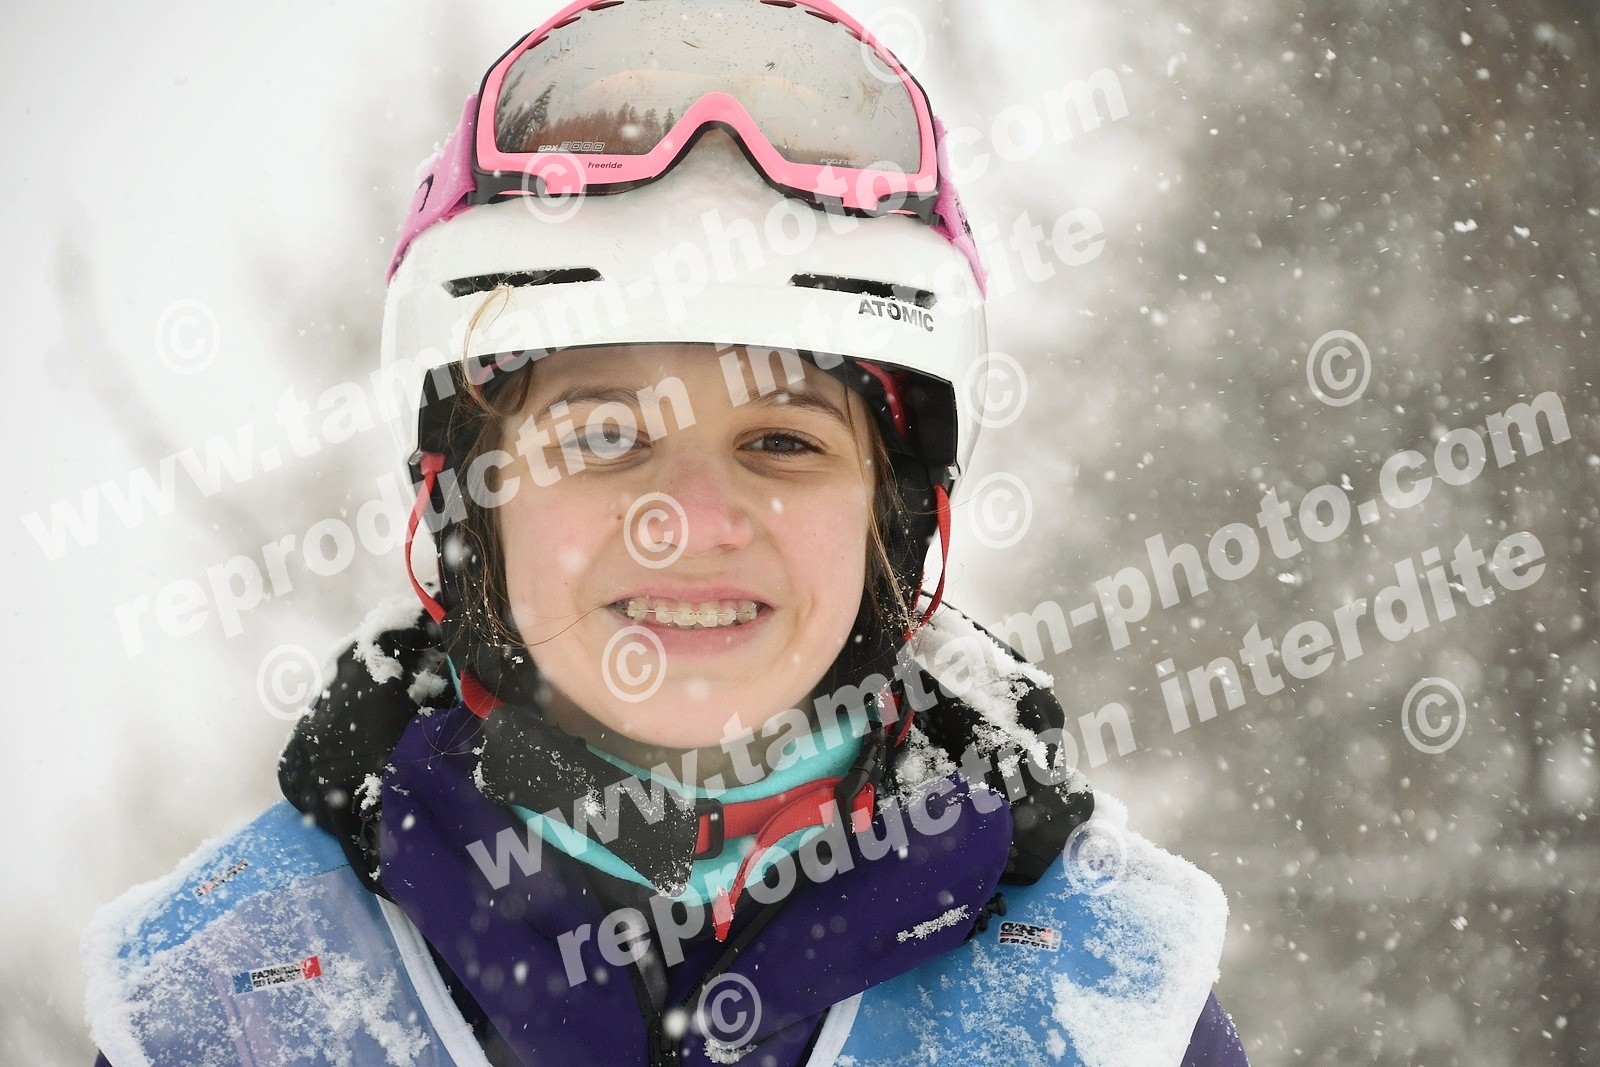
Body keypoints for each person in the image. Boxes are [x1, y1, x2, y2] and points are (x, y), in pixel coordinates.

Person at [82, 2, 1250, 1064]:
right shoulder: (219, 1005)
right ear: (467, 501)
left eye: (782, 440)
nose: (689, 520)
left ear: (895, 515)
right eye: (601, 438)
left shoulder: (1112, 1004)